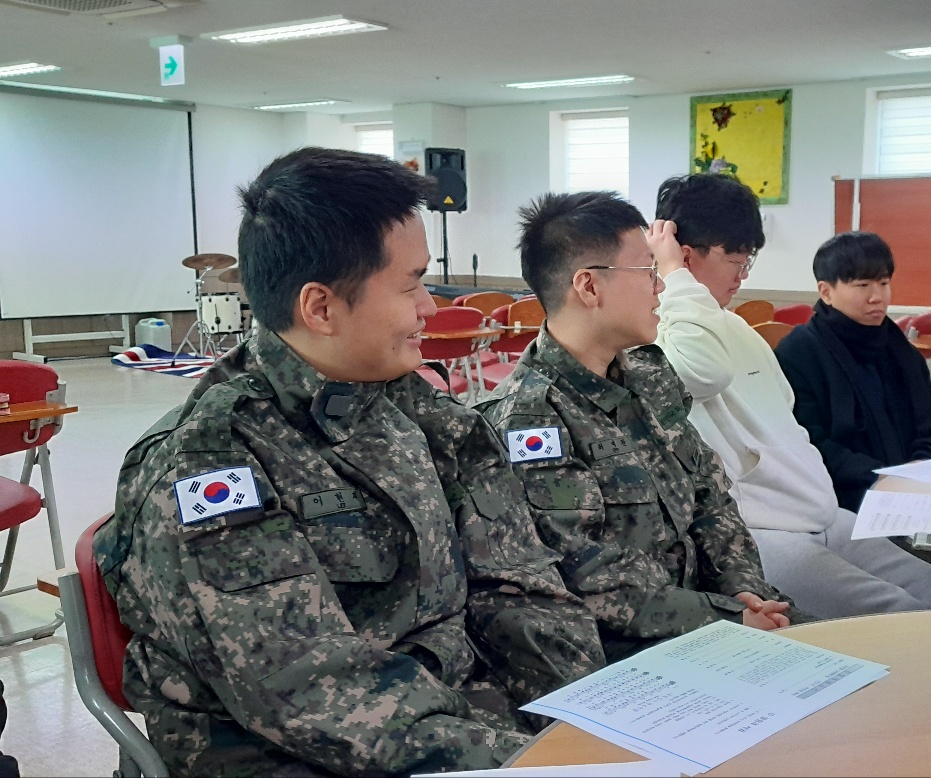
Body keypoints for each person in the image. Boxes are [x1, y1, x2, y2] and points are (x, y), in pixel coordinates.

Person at [94, 148, 605, 776]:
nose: (429, 308)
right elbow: (314, 694)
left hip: (461, 726)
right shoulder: (210, 466)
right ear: (320, 308)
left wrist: (589, 718)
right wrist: (533, 763)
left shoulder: (424, 415)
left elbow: (519, 587)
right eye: (411, 285)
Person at [478, 191, 800, 662]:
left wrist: (744, 589)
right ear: (589, 287)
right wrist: (725, 617)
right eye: (648, 271)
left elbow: (710, 495)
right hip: (638, 647)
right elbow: (587, 574)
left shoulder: (649, 374)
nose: (661, 287)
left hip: (721, 615)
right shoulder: (529, 421)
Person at [653, 173, 931, 618]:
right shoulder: (659, 329)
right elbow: (702, 371)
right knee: (902, 615)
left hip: (819, 511)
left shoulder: (734, 327)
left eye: (749, 261)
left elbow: (790, 421)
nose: (742, 275)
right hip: (758, 530)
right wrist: (673, 276)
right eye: (736, 260)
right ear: (686, 255)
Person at [776, 231, 931, 513]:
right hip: (843, 502)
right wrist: (884, 477)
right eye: (862, 285)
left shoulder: (898, 347)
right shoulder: (799, 351)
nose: (877, 297)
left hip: (918, 490)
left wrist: (923, 465)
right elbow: (807, 444)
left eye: (884, 283)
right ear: (826, 292)